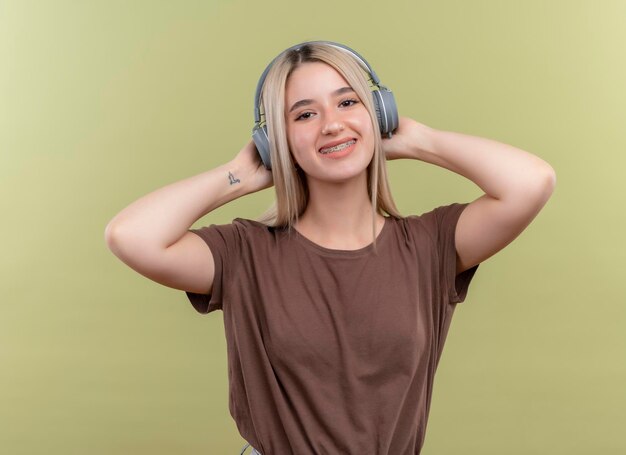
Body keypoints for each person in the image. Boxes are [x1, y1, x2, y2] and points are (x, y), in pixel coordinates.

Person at [104, 41, 556, 455]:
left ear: (378, 113)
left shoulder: (429, 245)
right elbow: (131, 236)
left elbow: (531, 182)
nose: (332, 124)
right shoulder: (244, 253)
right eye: (304, 115)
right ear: (277, 140)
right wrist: (239, 174)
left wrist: (419, 140)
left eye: (347, 102)